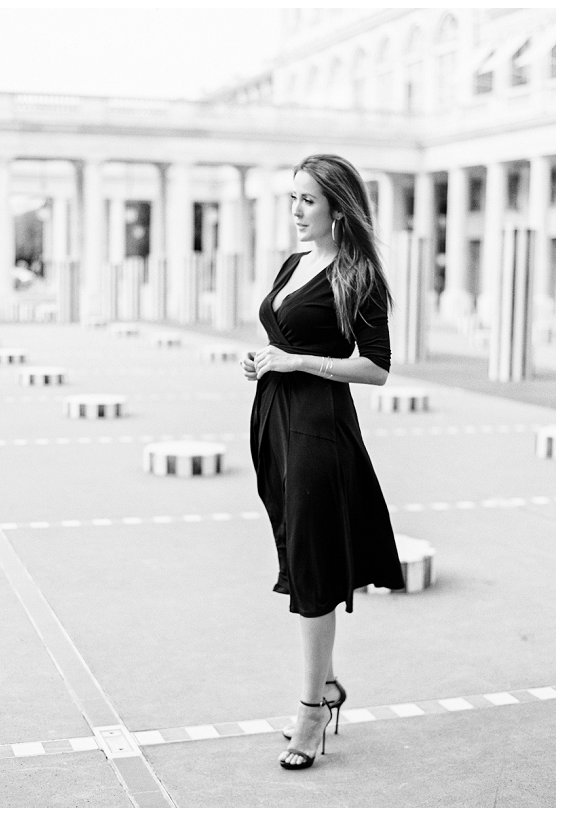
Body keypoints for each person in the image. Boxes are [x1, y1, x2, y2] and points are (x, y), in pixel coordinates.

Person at [241, 154, 406, 771]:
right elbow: (289, 337)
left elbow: (378, 367)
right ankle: (330, 683)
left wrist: (298, 363)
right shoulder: (294, 264)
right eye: (292, 199)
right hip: (274, 421)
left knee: (311, 563)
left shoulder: (359, 275)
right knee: (296, 549)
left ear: (339, 206)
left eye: (308, 200)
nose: (297, 211)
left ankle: (312, 710)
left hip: (317, 429)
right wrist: (266, 358)